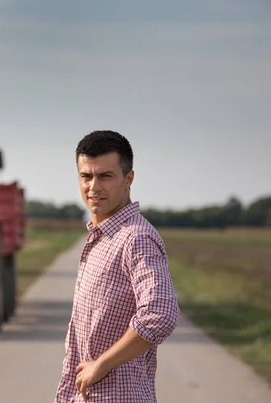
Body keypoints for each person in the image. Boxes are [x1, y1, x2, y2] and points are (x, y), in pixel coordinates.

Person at [54, 130, 180, 402]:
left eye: (106, 176)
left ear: (128, 179)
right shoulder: (102, 238)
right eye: (86, 176)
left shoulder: (136, 238)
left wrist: (101, 364)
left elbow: (161, 314)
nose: (94, 187)